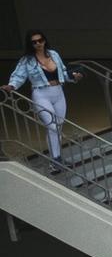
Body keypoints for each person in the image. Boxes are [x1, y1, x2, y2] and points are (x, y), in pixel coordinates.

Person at [7, 30, 81, 164]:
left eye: (40, 40)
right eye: (34, 42)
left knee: (58, 126)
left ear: (44, 40)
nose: (38, 44)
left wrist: (73, 77)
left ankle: (57, 158)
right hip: (41, 94)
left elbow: (63, 72)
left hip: (58, 92)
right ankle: (55, 159)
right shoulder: (27, 60)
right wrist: (12, 86)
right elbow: (19, 76)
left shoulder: (53, 54)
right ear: (30, 44)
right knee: (52, 125)